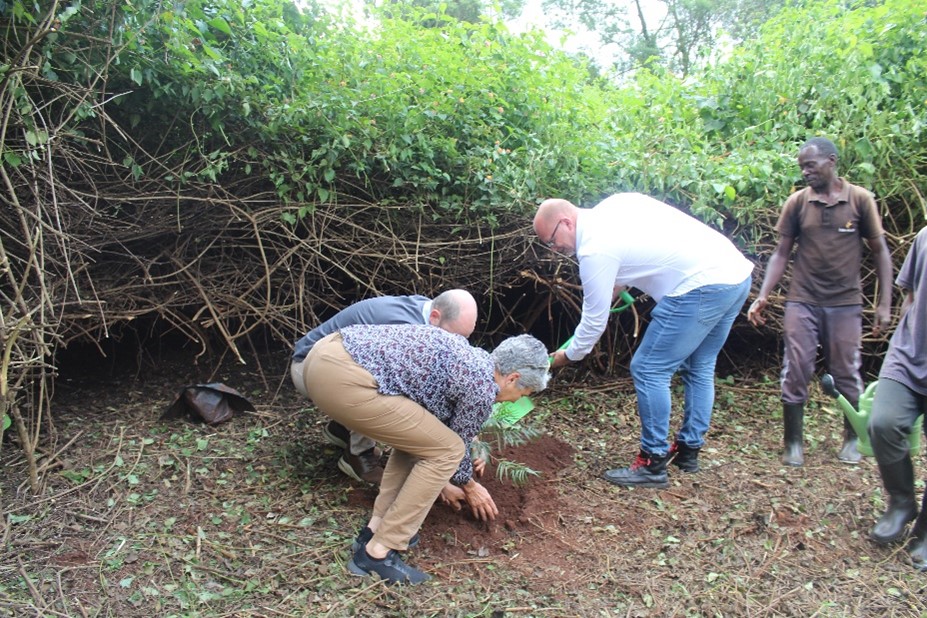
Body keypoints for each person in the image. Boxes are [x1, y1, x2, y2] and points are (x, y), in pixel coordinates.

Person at [534, 193, 753, 488]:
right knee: (699, 365)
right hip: (734, 275)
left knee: (649, 368)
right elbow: (638, 251)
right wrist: (612, 287)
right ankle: (688, 451)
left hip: (701, 286)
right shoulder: (614, 206)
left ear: (565, 222)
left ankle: (652, 463)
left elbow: (594, 324)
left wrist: (564, 356)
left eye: (551, 240)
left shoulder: (593, 250)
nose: (554, 249)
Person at [302, 324, 550, 584]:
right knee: (448, 451)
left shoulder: (469, 359)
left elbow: (436, 430)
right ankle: (377, 553)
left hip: (323, 354)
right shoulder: (481, 386)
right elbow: (457, 446)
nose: (515, 401)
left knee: (425, 440)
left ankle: (373, 531)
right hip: (343, 378)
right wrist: (469, 486)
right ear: (512, 378)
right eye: (524, 393)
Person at [747, 137, 893, 466]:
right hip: (803, 300)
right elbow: (781, 252)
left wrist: (884, 303)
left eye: (810, 165)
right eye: (801, 167)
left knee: (846, 371)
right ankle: (793, 444)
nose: (805, 172)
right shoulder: (798, 203)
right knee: (796, 368)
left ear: (831, 161)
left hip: (845, 303)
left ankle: (852, 439)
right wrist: (763, 295)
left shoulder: (859, 200)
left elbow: (880, 250)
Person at [290, 289, 478, 483]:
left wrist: (467, 434)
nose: (459, 346)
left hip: (331, 368)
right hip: (309, 367)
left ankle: (341, 429)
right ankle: (358, 455)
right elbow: (416, 398)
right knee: (385, 392)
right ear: (435, 316)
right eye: (455, 337)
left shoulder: (428, 312)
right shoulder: (405, 328)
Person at [867, 226, 927, 570]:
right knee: (883, 424)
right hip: (910, 354)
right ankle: (902, 501)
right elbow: (911, 295)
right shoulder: (924, 237)